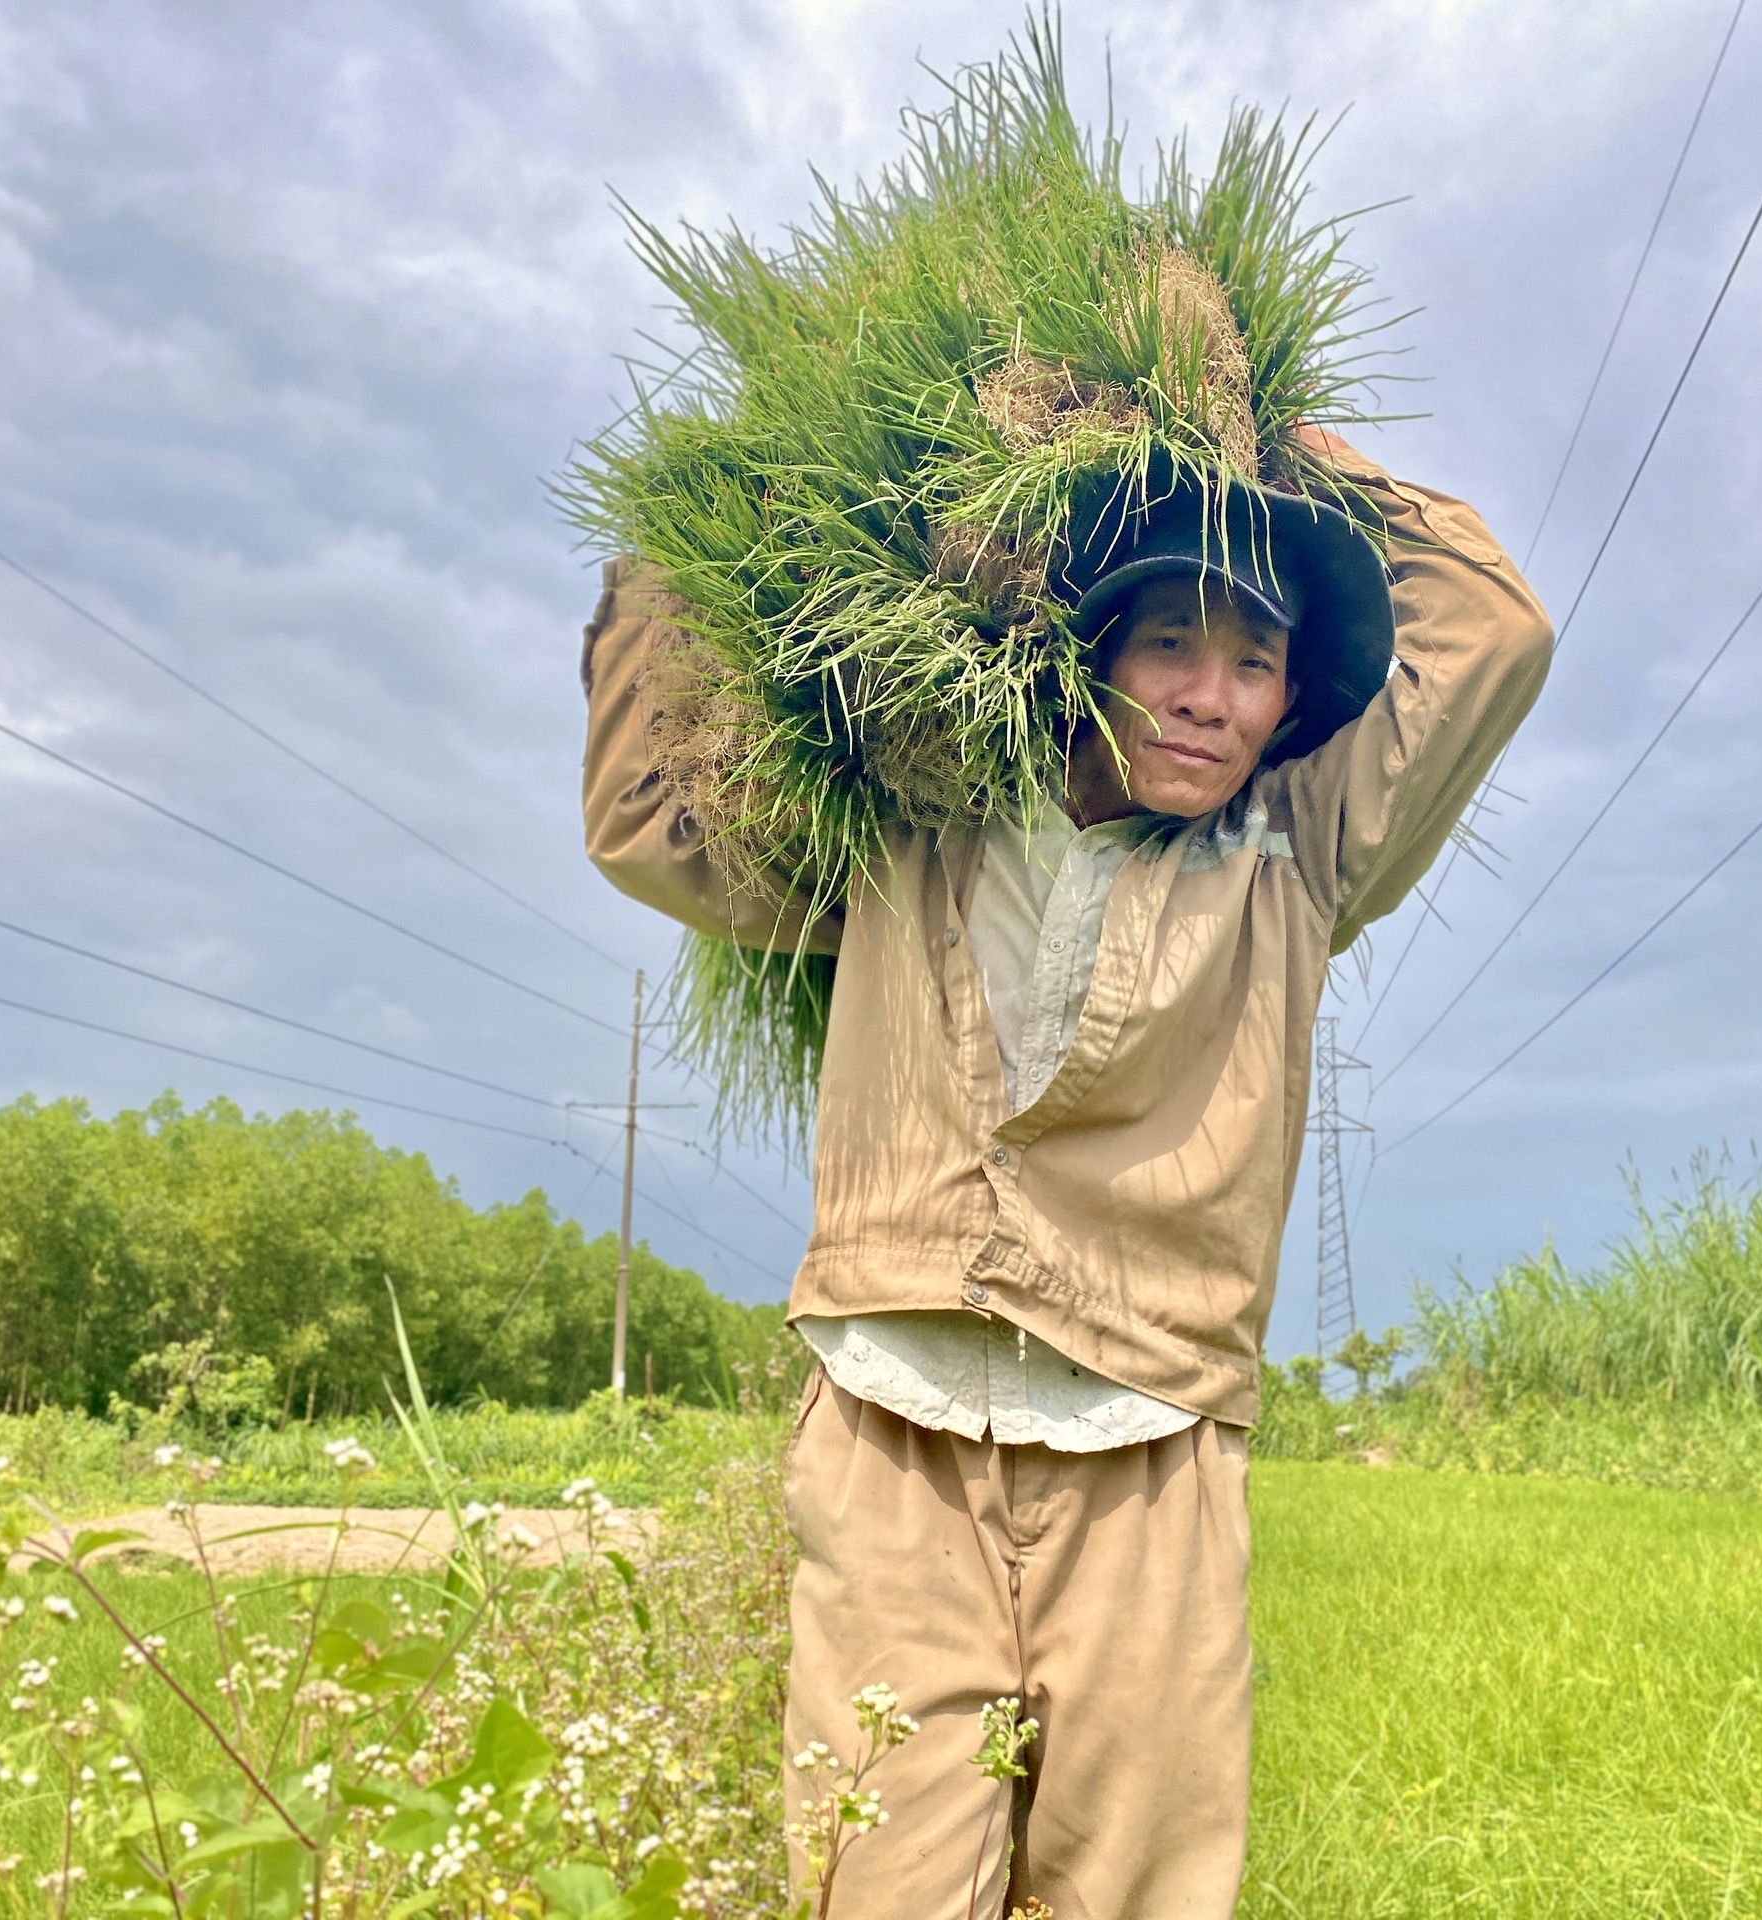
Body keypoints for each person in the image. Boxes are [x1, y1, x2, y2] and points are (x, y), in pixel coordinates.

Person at [581, 423, 1552, 1918]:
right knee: (878, 1881)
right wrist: (665, 545)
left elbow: (1495, 630)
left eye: (1252, 663)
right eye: (1170, 640)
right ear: (1085, 653)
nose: (1205, 698)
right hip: (895, 1424)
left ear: (1294, 697)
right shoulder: (914, 818)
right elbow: (655, 825)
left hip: (1150, 1434)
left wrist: (1259, 438)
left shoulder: (1298, 851)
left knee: (1137, 1893)